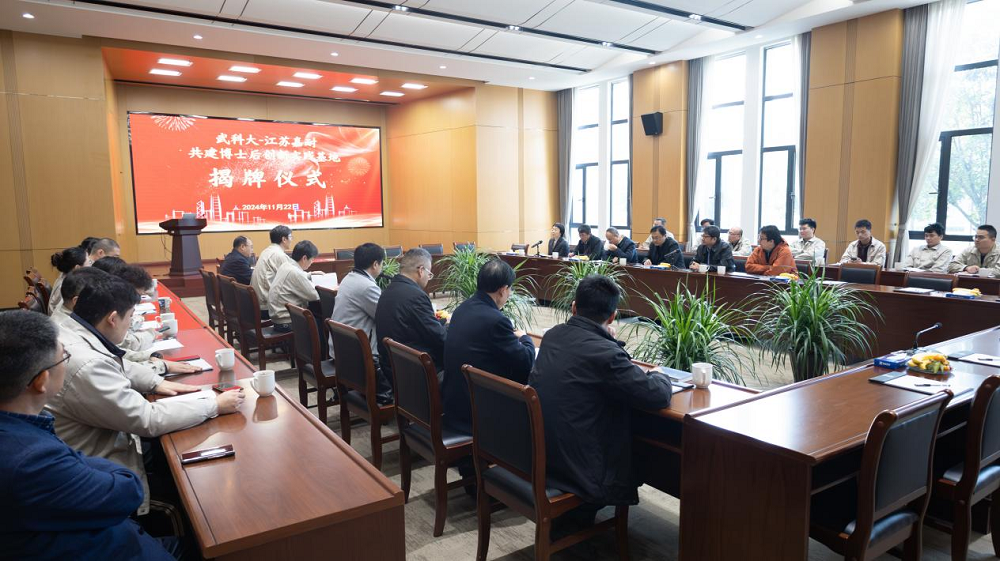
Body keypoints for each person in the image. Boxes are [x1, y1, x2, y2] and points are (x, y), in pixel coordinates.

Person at [46, 274, 244, 515]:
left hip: (101, 444)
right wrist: (214, 404)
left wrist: (156, 380)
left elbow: (118, 364)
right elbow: (147, 420)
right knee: (192, 491)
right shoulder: (86, 363)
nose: (131, 323)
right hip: (101, 473)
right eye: (130, 317)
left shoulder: (75, 330)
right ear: (112, 319)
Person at [0, 311, 178, 560]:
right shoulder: (30, 460)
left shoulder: (23, 427)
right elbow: (127, 491)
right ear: (41, 381)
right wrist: (93, 464)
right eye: (64, 357)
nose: (67, 362)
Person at [530, 275, 672, 511]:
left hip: (545, 456)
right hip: (583, 472)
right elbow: (656, 395)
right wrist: (659, 374)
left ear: (574, 307)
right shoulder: (606, 354)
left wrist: (608, 342)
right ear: (613, 316)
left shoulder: (553, 335)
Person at [443, 259, 535, 435]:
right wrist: (525, 338)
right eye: (510, 289)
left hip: (455, 403)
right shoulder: (496, 320)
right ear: (502, 290)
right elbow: (526, 361)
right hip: (477, 411)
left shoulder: (463, 308)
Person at [331, 243, 392, 403]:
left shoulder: (349, 278)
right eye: (382, 263)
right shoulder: (366, 287)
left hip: (342, 348)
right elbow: (385, 317)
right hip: (359, 356)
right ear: (375, 264)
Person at [375, 248, 447, 380]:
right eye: (429, 274)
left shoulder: (388, 291)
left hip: (393, 368)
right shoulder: (416, 296)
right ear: (421, 270)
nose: (429, 278)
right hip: (416, 373)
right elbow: (440, 338)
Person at [267, 240, 320, 331]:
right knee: (320, 322)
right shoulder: (295, 272)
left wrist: (310, 274)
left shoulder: (286, 265)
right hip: (286, 322)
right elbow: (315, 296)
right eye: (312, 259)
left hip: (278, 318)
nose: (312, 262)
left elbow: (297, 277)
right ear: (304, 258)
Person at [250, 225, 293, 316]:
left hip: (256, 304)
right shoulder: (279, 255)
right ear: (284, 239)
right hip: (267, 307)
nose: (291, 240)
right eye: (290, 237)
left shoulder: (267, 251)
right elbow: (293, 279)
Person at [49, 246, 89, 314]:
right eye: (89, 262)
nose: (91, 266)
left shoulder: (66, 278)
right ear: (77, 268)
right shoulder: (65, 287)